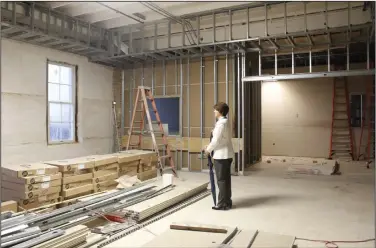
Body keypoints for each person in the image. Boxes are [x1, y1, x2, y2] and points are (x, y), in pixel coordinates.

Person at [203, 102, 234, 210]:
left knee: (221, 180)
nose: (214, 111)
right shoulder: (225, 122)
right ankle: (227, 202)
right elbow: (222, 140)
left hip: (221, 156)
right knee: (226, 180)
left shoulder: (221, 124)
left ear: (220, 112)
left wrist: (208, 150)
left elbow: (216, 140)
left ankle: (221, 204)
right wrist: (210, 145)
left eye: (215, 110)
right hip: (227, 154)